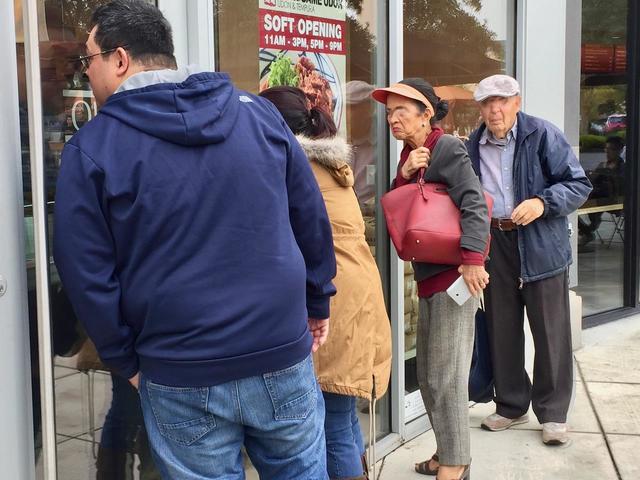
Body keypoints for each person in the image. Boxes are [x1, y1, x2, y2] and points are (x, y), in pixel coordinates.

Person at [53, 1, 337, 479]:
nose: (86, 72)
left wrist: (124, 358)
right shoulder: (258, 116)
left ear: (119, 59)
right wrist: (317, 300)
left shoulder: (95, 147)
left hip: (179, 368)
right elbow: (309, 217)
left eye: (89, 59)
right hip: (277, 350)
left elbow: (86, 272)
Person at [259, 86, 392, 480]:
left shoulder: (294, 167)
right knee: (343, 412)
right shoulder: (328, 162)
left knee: (331, 420)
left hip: (335, 295)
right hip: (356, 289)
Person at [373, 78, 491, 480]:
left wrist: (473, 259)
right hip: (430, 279)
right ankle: (446, 451)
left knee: (447, 376)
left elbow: (474, 202)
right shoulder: (411, 154)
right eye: (389, 112)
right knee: (427, 374)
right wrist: (404, 174)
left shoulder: (447, 147)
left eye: (400, 111)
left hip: (455, 278)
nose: (392, 118)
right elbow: (403, 208)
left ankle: (456, 463)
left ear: (426, 113)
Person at [466, 74, 592, 445]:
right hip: (496, 243)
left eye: (502, 101)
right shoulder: (472, 144)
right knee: (501, 329)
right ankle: (511, 404)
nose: (495, 109)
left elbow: (579, 184)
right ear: (480, 108)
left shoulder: (543, 134)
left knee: (551, 332)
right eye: (488, 103)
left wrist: (542, 202)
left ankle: (553, 413)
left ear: (517, 102)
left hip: (541, 243)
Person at [578, 136, 625, 246]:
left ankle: (588, 230)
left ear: (619, 151)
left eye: (611, 149)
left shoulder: (623, 168)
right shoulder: (602, 165)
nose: (607, 152)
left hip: (612, 200)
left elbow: (621, 187)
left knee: (580, 208)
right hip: (596, 198)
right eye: (606, 149)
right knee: (574, 207)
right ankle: (588, 229)